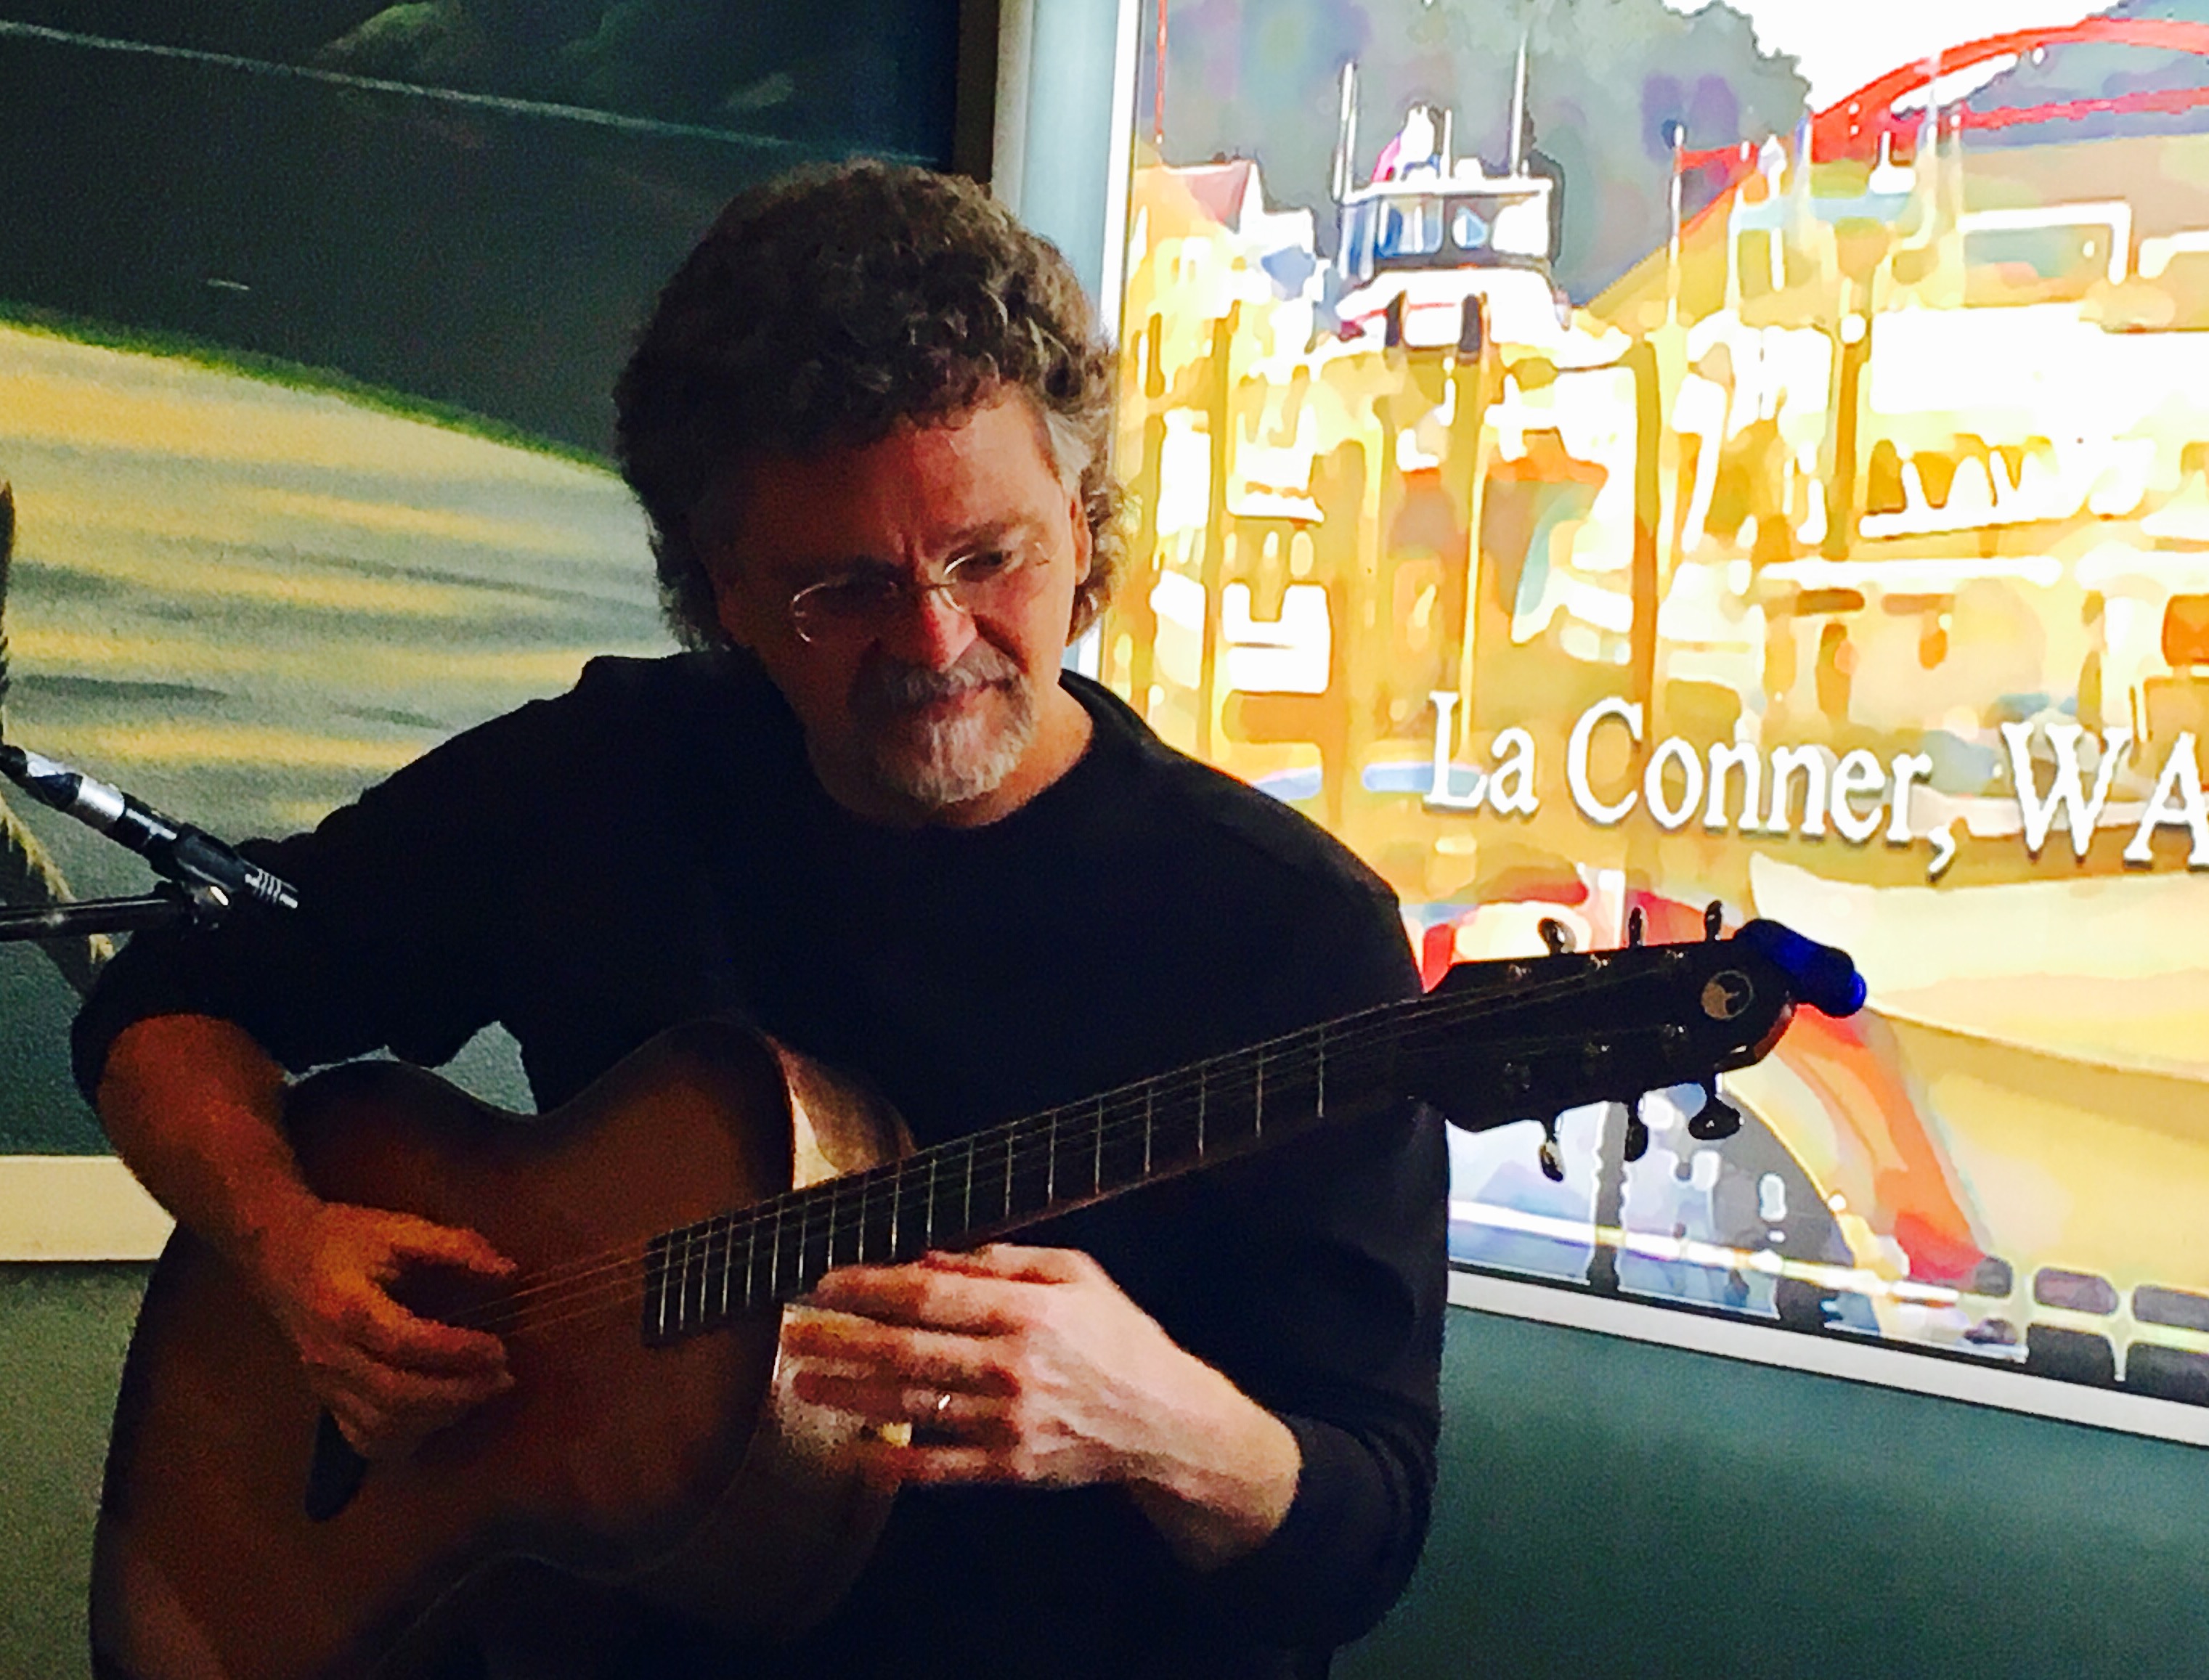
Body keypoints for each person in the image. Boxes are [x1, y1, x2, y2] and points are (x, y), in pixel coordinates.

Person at [76, 161, 1447, 1679]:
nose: (934, 639)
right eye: (841, 589)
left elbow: (1365, 1532)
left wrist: (1159, 1418)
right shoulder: (611, 777)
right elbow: (170, 993)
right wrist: (285, 1246)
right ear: (724, 588)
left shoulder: (1289, 933)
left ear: (1081, 520)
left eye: (989, 556)